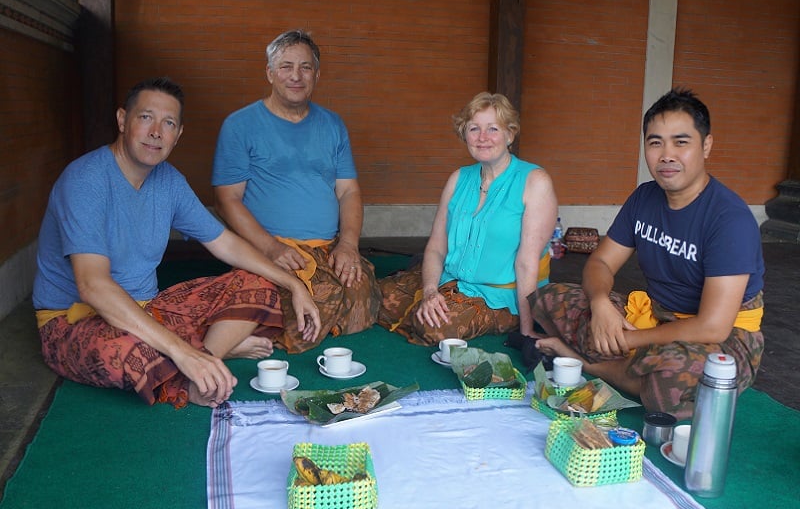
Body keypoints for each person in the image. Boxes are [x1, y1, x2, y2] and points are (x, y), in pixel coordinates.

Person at [33, 77, 322, 409]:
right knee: (129, 353)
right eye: (146, 117)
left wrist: (293, 284)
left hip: (149, 310)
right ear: (123, 120)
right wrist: (181, 350)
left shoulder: (169, 181)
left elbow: (225, 243)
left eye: (168, 123)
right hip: (75, 322)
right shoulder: (85, 180)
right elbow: (93, 286)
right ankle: (202, 358)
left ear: (178, 134)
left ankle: (204, 362)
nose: (156, 131)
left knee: (258, 284)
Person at [531, 88, 765, 419]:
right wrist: (600, 305)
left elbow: (713, 327)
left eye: (680, 142)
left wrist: (629, 340)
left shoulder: (729, 219)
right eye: (656, 143)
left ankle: (588, 364)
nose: (666, 155)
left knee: (669, 381)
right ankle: (629, 366)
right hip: (656, 318)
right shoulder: (644, 198)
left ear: (706, 145)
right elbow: (601, 261)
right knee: (548, 299)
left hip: (723, 341)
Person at [212, 29, 380, 353]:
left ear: (317, 74)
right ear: (270, 73)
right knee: (298, 303)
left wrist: (348, 244)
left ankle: (266, 326)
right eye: (286, 66)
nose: (296, 76)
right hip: (271, 248)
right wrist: (271, 248)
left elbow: (348, 192)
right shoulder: (240, 125)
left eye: (305, 67)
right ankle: (237, 336)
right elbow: (226, 200)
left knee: (361, 292)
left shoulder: (333, 124)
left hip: (326, 248)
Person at [378, 92, 558, 345]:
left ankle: (426, 313)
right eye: (474, 128)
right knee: (378, 297)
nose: (483, 137)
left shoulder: (534, 181)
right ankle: (428, 302)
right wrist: (429, 291)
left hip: (499, 297)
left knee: (435, 326)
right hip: (452, 282)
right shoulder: (458, 178)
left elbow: (527, 263)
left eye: (493, 128)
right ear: (465, 135)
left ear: (510, 134)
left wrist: (527, 329)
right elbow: (436, 247)